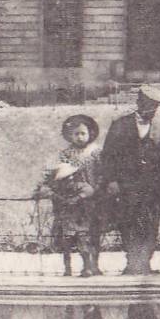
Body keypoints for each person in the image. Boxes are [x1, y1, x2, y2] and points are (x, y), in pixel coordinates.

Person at [101, 83, 160, 275]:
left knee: (151, 224)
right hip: (127, 186)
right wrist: (111, 181)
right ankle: (132, 263)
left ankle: (144, 263)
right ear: (138, 103)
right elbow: (108, 156)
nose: (151, 111)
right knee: (128, 223)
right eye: (147, 105)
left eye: (154, 107)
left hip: (154, 188)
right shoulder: (120, 125)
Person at [44, 113, 102, 276]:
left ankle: (93, 265)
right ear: (69, 136)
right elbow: (58, 174)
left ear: (90, 133)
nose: (80, 137)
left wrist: (96, 189)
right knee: (72, 234)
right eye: (76, 134)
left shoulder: (96, 152)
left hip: (93, 199)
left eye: (83, 133)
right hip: (72, 199)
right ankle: (70, 267)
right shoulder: (66, 154)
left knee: (93, 233)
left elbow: (103, 173)